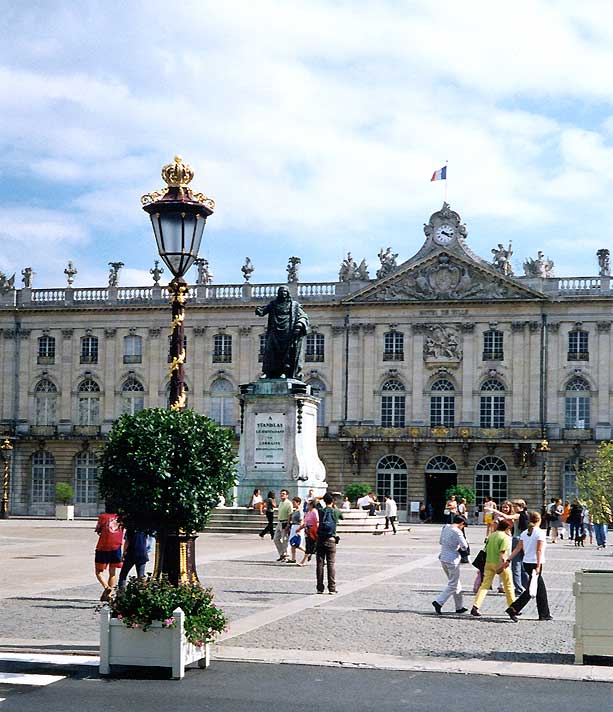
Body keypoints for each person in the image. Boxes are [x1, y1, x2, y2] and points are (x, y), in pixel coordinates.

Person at [506, 511, 552, 622]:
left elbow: (517, 549)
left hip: (526, 562)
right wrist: (538, 566)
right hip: (535, 563)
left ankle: (544, 613)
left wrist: (509, 559)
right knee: (532, 590)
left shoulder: (525, 533)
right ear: (539, 520)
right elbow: (539, 550)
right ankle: (514, 608)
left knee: (539, 589)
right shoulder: (540, 533)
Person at [255, 286, 309, 379]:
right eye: (281, 291)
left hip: (288, 332)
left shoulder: (294, 305)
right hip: (275, 331)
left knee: (286, 353)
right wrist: (259, 311)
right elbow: (263, 311)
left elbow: (303, 316)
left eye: (285, 292)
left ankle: (285, 371)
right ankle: (268, 372)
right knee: (270, 351)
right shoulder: (273, 304)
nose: (283, 293)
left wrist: (300, 324)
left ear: (288, 293)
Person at [471, 519, 515, 617]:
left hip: (488, 563)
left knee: (484, 586)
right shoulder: (504, 537)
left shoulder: (492, 535)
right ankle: (513, 607)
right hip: (499, 564)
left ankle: (475, 606)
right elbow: (502, 554)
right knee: (508, 586)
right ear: (507, 528)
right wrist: (504, 564)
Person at [432, 515, 469, 615]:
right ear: (461, 523)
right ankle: (439, 602)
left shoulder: (445, 527)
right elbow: (465, 546)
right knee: (453, 584)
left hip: (443, 557)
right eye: (463, 525)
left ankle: (459, 607)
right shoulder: (457, 531)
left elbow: (440, 541)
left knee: (457, 584)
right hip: (452, 560)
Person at [95, 502, 124, 602]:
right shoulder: (120, 517)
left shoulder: (103, 517)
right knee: (113, 572)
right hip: (116, 547)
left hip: (103, 547)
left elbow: (98, 530)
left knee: (99, 572)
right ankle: (109, 595)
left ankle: (107, 587)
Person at [316, 492, 342, 594]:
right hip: (331, 539)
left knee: (320, 564)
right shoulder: (335, 511)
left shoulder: (321, 510)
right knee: (331, 564)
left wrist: (321, 498)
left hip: (320, 539)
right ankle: (332, 588)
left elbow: (314, 501)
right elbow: (342, 517)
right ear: (333, 501)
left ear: (324, 500)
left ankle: (319, 588)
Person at [511, 499, 529, 597]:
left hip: (517, 540)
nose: (513, 508)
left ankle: (518, 589)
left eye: (515, 506)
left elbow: (507, 516)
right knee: (522, 566)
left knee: (516, 566)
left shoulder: (519, 515)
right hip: (523, 540)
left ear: (521, 507)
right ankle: (527, 586)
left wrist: (495, 511)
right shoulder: (525, 515)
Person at [273, 489, 293, 561]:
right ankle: (282, 554)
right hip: (279, 522)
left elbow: (290, 514)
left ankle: (286, 555)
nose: (282, 495)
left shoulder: (289, 503)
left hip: (285, 522)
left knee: (285, 540)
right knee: (276, 538)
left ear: (287, 495)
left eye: (283, 494)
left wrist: (288, 524)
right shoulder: (281, 502)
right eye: (281, 493)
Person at [298, 498, 319, 565]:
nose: (307, 506)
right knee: (309, 545)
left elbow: (317, 521)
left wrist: (316, 530)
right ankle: (310, 556)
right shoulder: (308, 512)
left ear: (312, 505)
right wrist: (299, 529)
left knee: (312, 545)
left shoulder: (314, 511)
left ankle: (303, 561)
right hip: (307, 531)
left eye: (308, 505)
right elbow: (305, 523)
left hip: (313, 530)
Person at [288, 496, 305, 564]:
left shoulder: (300, 511)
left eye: (294, 502)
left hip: (297, 527)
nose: (293, 504)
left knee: (298, 544)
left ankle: (307, 552)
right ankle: (293, 558)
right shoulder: (295, 510)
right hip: (293, 527)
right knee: (292, 543)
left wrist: (299, 529)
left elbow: (301, 521)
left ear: (298, 503)